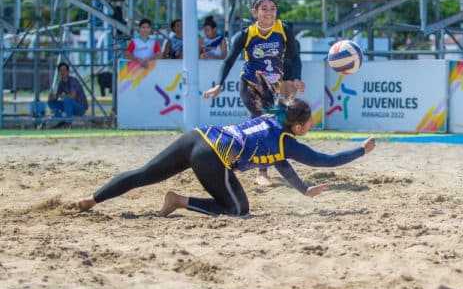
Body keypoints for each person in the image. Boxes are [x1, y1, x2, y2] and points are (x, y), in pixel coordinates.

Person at [73, 98, 376, 217]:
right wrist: (362, 150)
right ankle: (178, 201)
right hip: (213, 155)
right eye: (309, 123)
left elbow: (280, 163)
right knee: (238, 209)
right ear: (297, 127)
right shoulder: (288, 141)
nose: (311, 126)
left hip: (198, 136)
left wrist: (304, 189)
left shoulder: (272, 121)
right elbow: (325, 160)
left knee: (145, 173)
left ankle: (92, 199)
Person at [202, 0, 304, 185]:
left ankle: (232, 157)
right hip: (251, 85)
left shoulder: (284, 29)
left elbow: (295, 57)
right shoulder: (246, 34)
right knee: (265, 121)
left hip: (273, 86)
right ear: (255, 12)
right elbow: (229, 60)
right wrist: (219, 84)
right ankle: (262, 172)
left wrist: (296, 78)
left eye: (272, 8)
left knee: (265, 125)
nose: (269, 12)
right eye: (264, 8)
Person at [47, 62, 88, 129]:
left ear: (68, 71)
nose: (62, 72)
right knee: (51, 102)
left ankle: (68, 123)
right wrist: (53, 97)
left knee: (66, 100)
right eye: (60, 70)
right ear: (58, 72)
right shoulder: (61, 83)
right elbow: (58, 97)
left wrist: (58, 96)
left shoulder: (73, 81)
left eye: (64, 70)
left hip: (80, 108)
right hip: (69, 106)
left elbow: (72, 96)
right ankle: (60, 121)